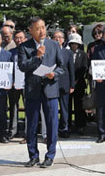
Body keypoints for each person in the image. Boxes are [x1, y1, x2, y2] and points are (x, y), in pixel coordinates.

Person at [18, 17, 64, 168]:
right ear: (31, 30)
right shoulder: (25, 46)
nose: (41, 31)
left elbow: (61, 66)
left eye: (43, 27)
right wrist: (36, 57)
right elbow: (22, 66)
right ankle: (33, 156)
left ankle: (50, 155)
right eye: (37, 28)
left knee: (51, 124)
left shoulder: (54, 44)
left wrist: (54, 74)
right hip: (33, 91)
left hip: (50, 89)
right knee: (31, 125)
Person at [52, 30, 75, 138]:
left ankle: (64, 128)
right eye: (55, 37)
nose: (58, 39)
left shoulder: (68, 53)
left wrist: (72, 85)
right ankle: (53, 128)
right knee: (52, 108)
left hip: (64, 83)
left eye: (60, 37)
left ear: (64, 40)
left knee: (65, 107)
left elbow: (71, 69)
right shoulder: (48, 51)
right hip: (51, 83)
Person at [8, 30, 27, 139]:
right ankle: (12, 131)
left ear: (25, 39)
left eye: (21, 38)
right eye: (17, 38)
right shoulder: (10, 53)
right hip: (13, 84)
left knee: (28, 108)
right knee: (13, 108)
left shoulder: (29, 51)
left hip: (26, 84)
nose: (19, 40)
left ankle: (27, 132)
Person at [68, 33, 88, 135]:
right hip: (67, 84)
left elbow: (84, 68)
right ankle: (67, 126)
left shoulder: (83, 54)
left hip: (79, 83)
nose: (74, 45)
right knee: (67, 106)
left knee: (79, 106)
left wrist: (75, 80)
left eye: (76, 43)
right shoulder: (66, 53)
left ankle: (80, 126)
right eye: (72, 43)